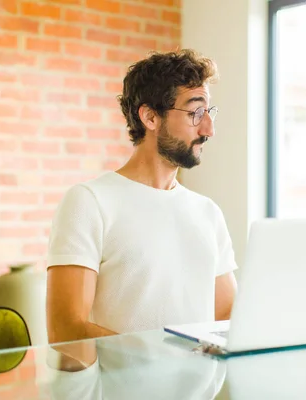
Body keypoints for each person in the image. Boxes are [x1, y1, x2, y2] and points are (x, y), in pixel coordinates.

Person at [46, 49, 238, 345]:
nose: (209, 129)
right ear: (150, 117)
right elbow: (66, 330)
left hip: (200, 391)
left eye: (209, 112)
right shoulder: (89, 202)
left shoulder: (208, 212)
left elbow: (226, 314)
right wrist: (162, 356)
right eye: (196, 113)